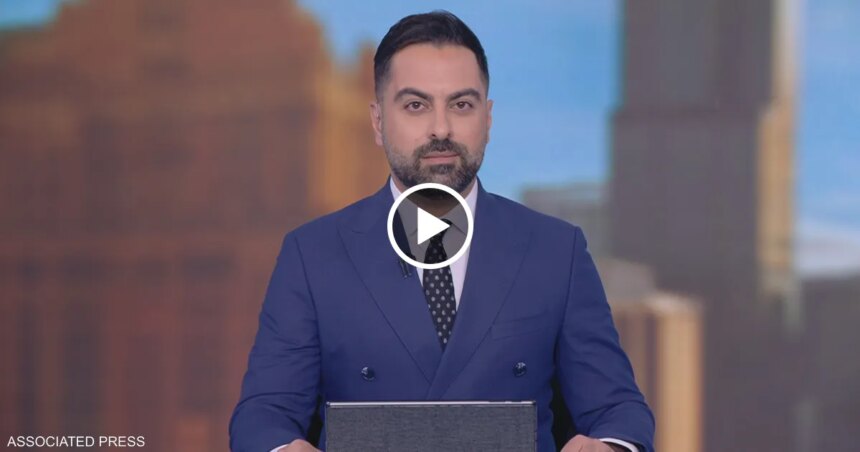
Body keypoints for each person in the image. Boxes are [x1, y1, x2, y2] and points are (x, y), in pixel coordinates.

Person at [229, 11, 654, 452]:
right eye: (416, 105)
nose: (441, 129)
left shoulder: (556, 252)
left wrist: (610, 446)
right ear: (378, 122)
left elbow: (617, 408)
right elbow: (264, 414)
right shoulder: (312, 255)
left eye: (461, 105)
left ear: (488, 119)